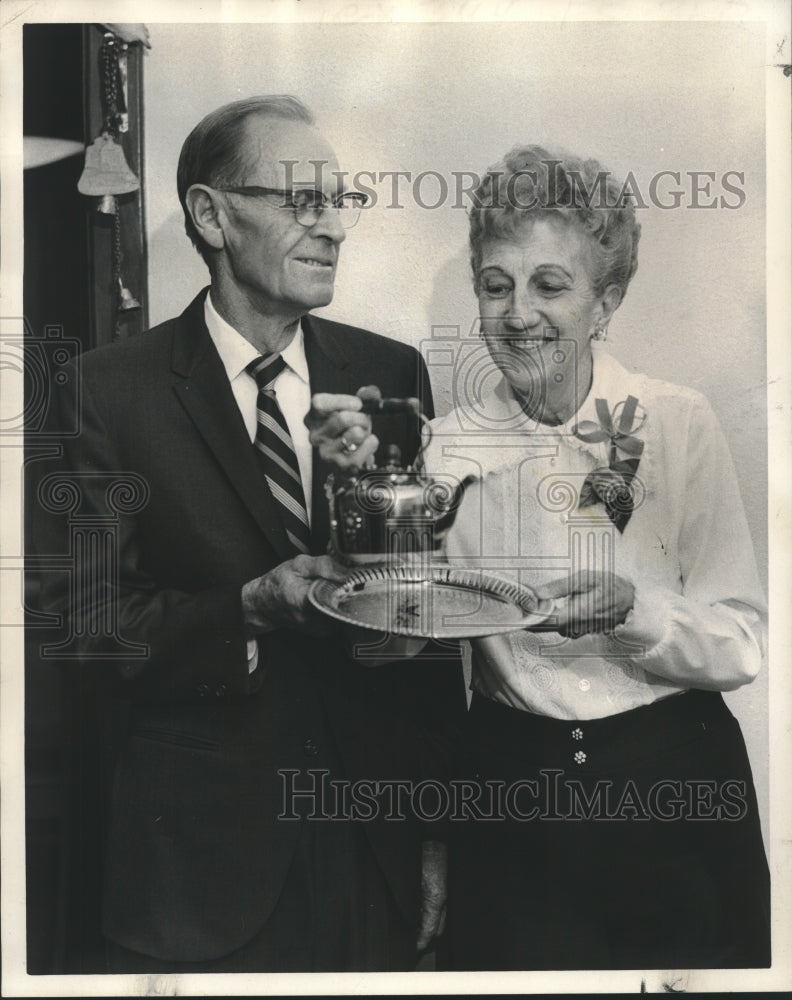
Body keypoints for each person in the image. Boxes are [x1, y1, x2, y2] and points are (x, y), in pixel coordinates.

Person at [32, 95, 465, 973]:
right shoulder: (102, 393)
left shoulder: (389, 373)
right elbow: (80, 629)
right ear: (210, 215)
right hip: (200, 875)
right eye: (301, 200)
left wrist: (432, 838)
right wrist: (250, 611)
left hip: (370, 855)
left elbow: (421, 626)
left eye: (338, 202)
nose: (331, 227)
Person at [317, 145, 770, 970]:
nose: (518, 312)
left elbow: (742, 644)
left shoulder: (675, 421)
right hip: (509, 800)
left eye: (550, 285)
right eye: (496, 285)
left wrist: (634, 611)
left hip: (678, 789)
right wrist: (358, 509)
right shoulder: (444, 446)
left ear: (607, 301)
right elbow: (386, 645)